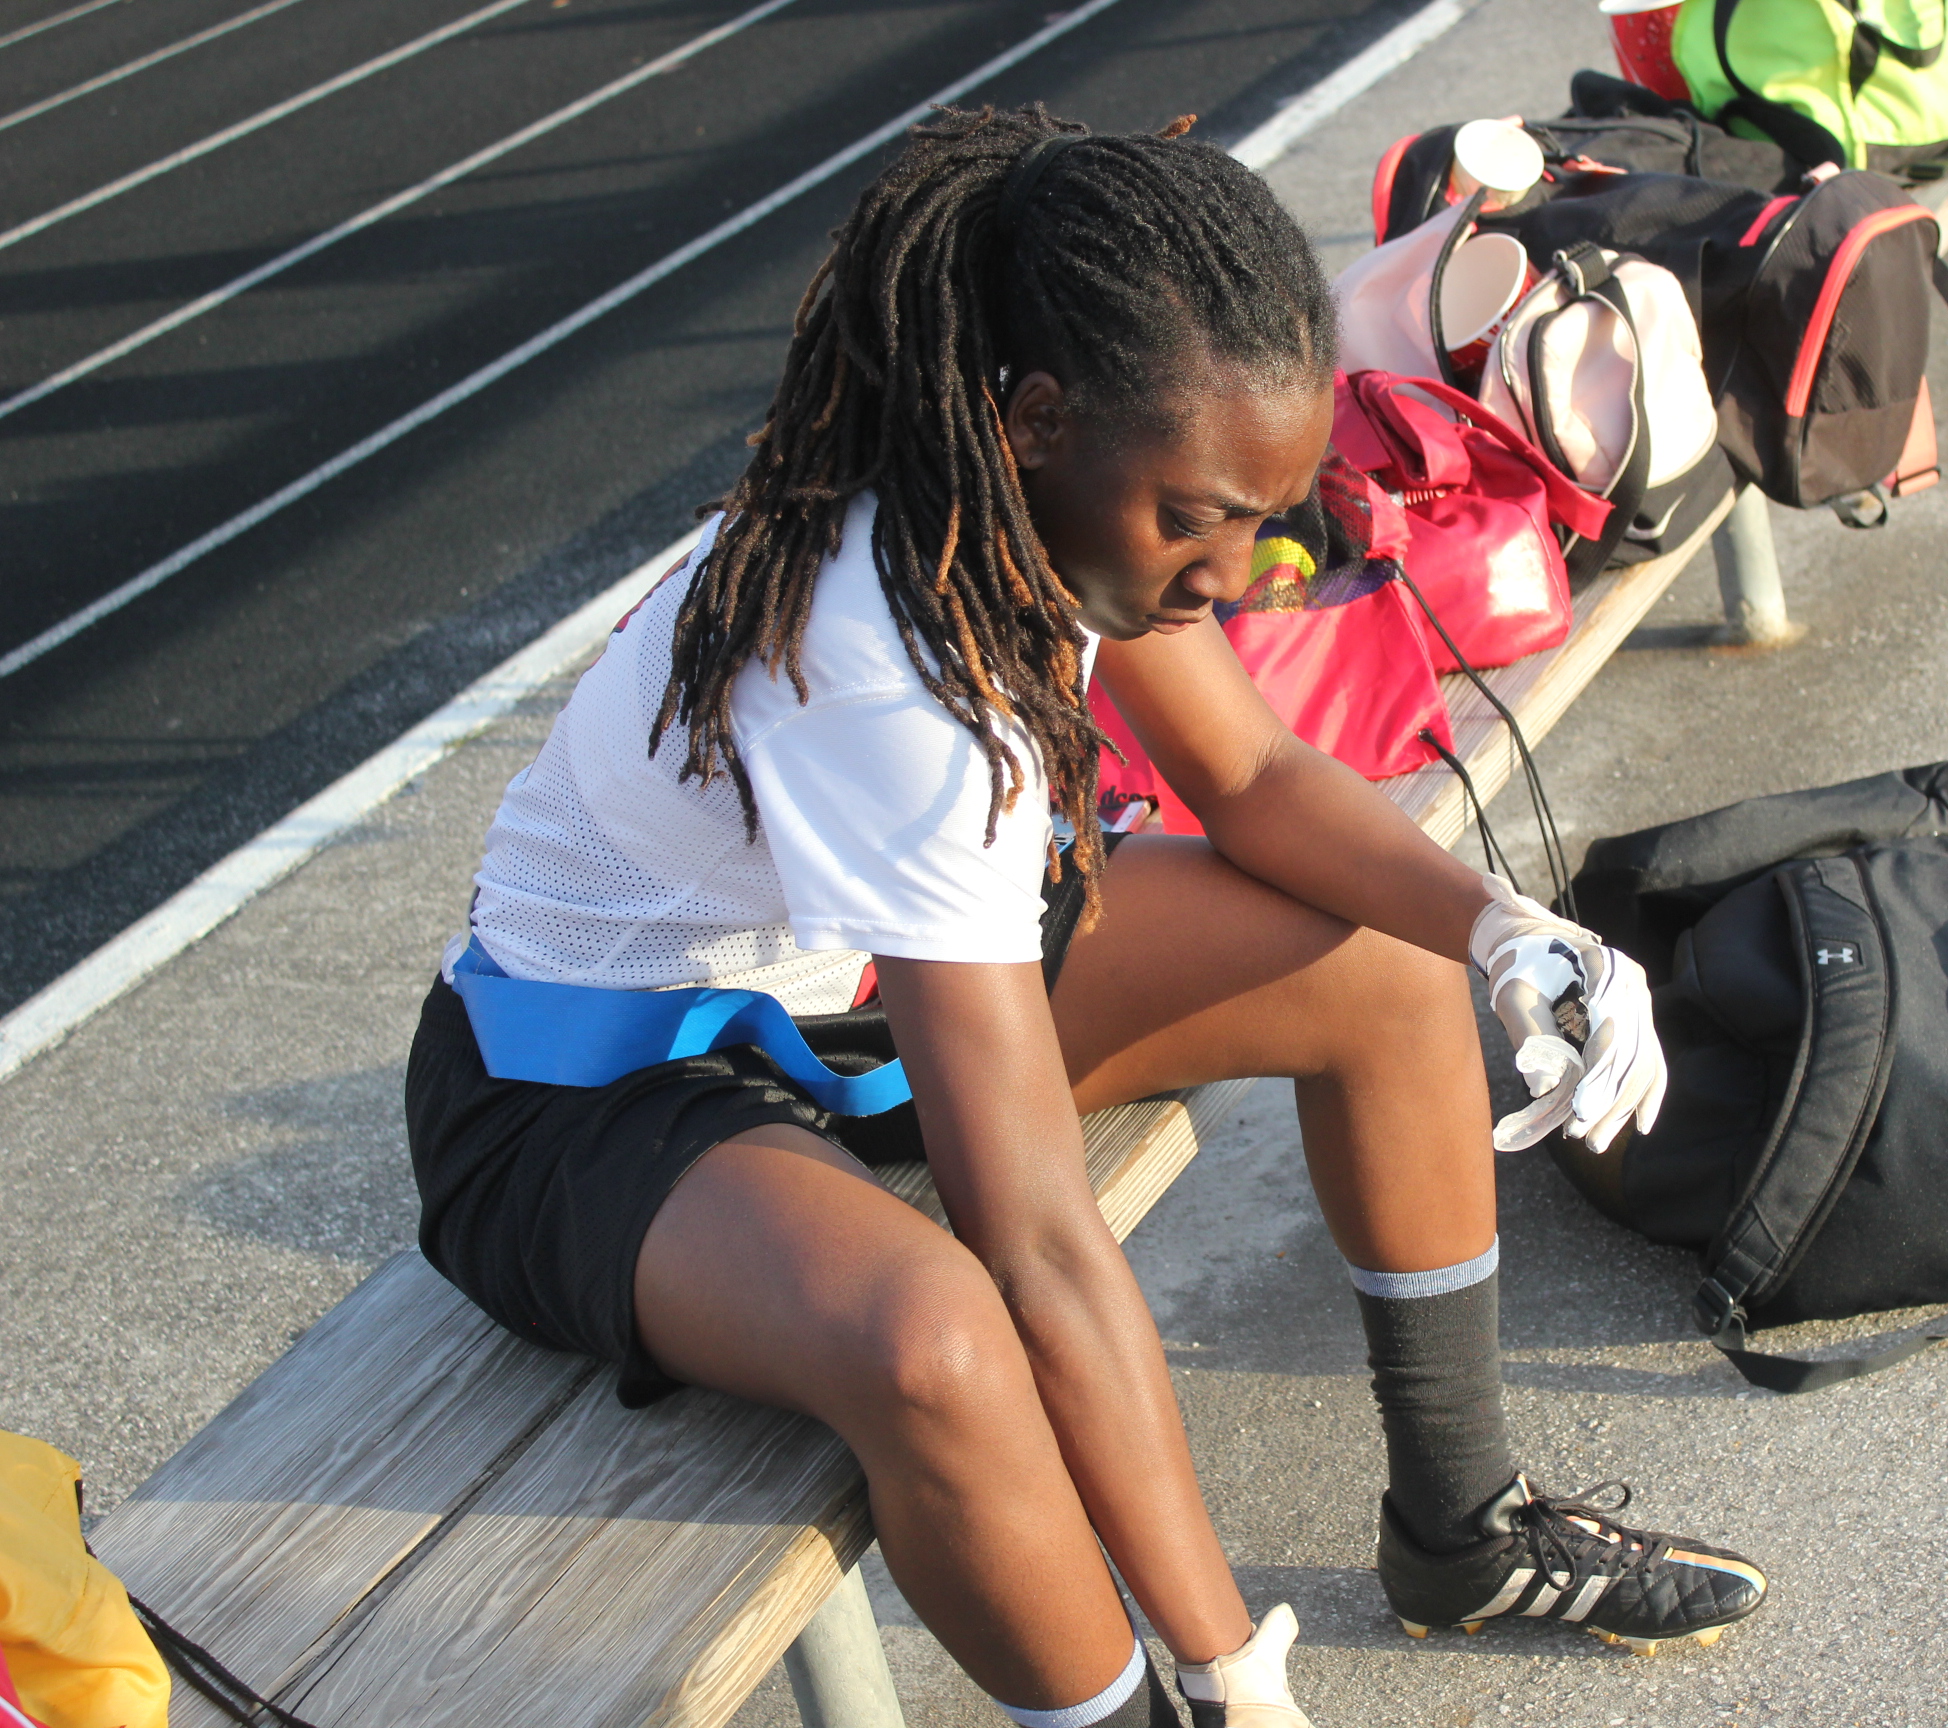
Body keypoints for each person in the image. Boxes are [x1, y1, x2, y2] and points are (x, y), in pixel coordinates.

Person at [404, 107, 1766, 1728]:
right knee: (939, 1348)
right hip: (584, 1092)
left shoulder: (1038, 495)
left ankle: (1460, 1531)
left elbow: (1253, 770)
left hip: (850, 993)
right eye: (1199, 518)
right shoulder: (896, 674)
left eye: (1259, 518)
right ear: (1038, 419)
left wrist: (1506, 929)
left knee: (1388, 976)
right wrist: (1228, 1661)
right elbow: (1038, 1243)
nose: (1234, 571)